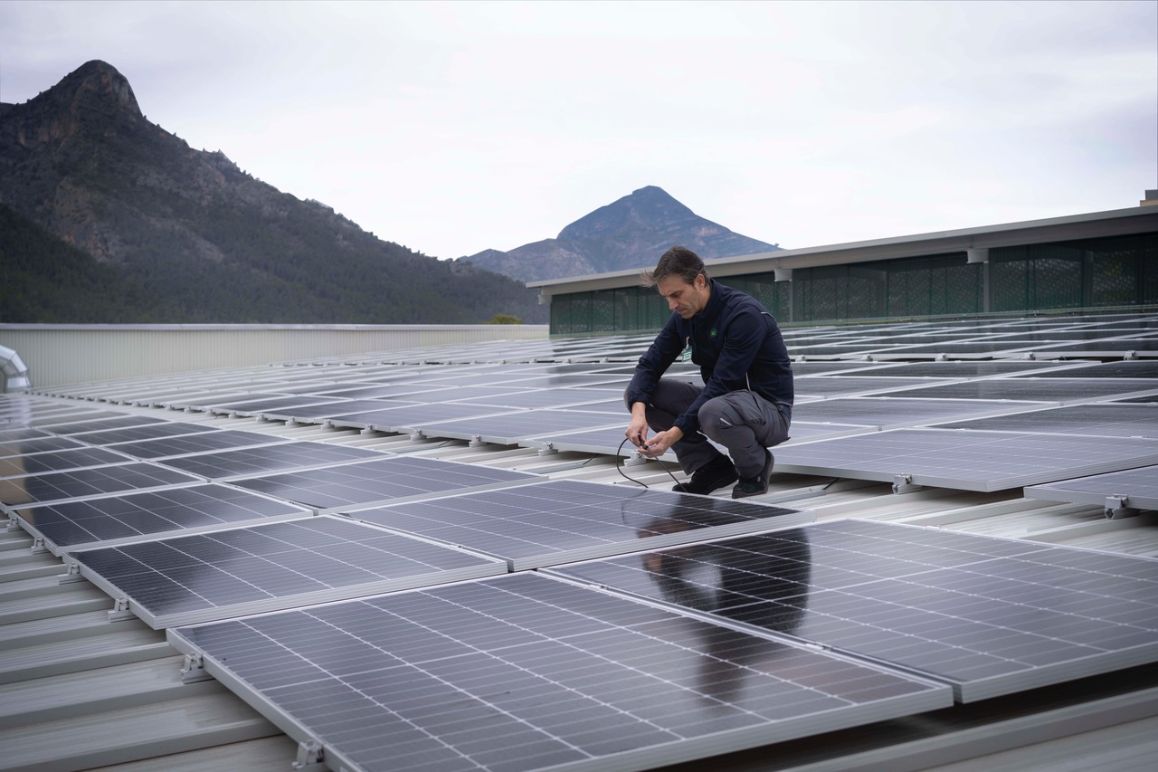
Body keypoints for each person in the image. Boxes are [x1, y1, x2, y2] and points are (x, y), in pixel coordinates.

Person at [624, 246, 793, 498]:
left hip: (768, 411)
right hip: (723, 403)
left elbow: (723, 384)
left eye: (676, 294)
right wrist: (638, 415)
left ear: (700, 281)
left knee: (712, 411)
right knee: (642, 394)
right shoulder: (685, 316)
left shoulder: (744, 315)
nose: (671, 305)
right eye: (666, 298)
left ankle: (754, 466)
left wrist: (673, 433)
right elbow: (650, 364)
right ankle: (711, 467)